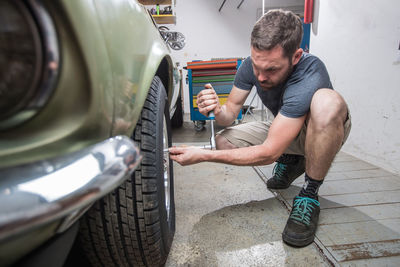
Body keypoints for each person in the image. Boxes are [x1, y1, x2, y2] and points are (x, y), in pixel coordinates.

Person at [169, 9, 351, 247]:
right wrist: (215, 108)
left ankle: (309, 193)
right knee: (225, 141)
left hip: (316, 130)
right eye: (257, 66)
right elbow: (230, 115)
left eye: (272, 69)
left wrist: (204, 155)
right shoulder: (249, 66)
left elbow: (268, 153)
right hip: (285, 126)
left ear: (296, 56)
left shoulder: (310, 71)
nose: (261, 77)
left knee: (328, 101)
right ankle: (294, 158)